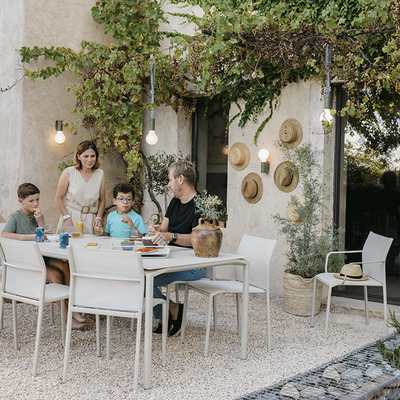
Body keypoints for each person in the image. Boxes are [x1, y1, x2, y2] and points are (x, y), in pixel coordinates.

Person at [1, 183, 85, 329]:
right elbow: (5, 234)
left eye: (37, 200)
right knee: (55, 275)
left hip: (42, 257)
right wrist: (28, 237)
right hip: (27, 261)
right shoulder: (15, 217)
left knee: (66, 267)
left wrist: (40, 221)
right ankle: (66, 319)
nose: (35, 204)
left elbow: (43, 238)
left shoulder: (37, 215)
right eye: (31, 201)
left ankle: (72, 308)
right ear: (21, 201)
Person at [147, 161, 204, 337]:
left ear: (181, 179)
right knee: (142, 278)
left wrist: (170, 236)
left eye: (170, 180)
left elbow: (198, 241)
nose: (168, 184)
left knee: (147, 280)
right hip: (172, 259)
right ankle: (171, 308)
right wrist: (157, 230)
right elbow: (164, 229)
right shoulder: (175, 202)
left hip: (193, 265)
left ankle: (165, 314)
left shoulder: (201, 205)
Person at [55, 140, 105, 235]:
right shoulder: (68, 172)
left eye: (92, 156)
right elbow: (58, 198)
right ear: (78, 156)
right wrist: (67, 217)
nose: (90, 160)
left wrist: (98, 217)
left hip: (91, 219)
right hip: (72, 217)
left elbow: (102, 200)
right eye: (86, 156)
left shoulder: (100, 174)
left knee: (89, 247)